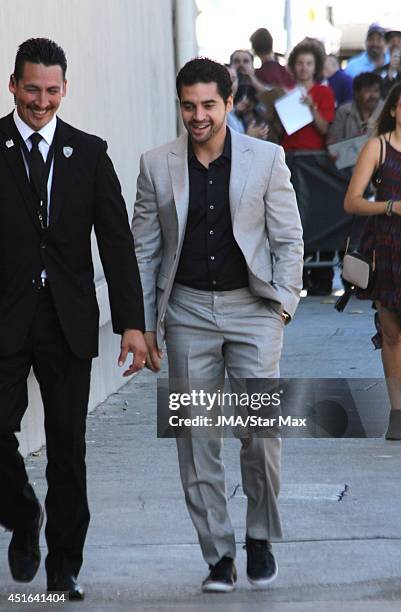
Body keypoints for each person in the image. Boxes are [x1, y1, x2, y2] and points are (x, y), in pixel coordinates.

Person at [132, 58, 303, 593]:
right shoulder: (156, 164)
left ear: (229, 103)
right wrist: (144, 326)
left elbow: (290, 240)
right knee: (196, 440)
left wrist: (282, 309)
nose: (198, 115)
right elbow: (144, 250)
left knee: (260, 436)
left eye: (209, 104)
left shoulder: (267, 158)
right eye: (189, 105)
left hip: (253, 311)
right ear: (179, 104)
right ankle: (218, 556)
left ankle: (259, 536)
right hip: (185, 313)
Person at [0, 38, 147, 599]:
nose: (41, 101)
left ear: (66, 89)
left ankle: (64, 565)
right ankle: (20, 512)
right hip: (5, 318)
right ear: (13, 85)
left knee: (67, 448)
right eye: (32, 89)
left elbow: (116, 242)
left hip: (67, 322)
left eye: (52, 90)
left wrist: (130, 322)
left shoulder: (88, 153)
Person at [344, 81, 401, 441]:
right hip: (387, 247)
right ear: (394, 108)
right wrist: (389, 206)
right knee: (391, 333)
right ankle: (397, 410)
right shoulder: (378, 147)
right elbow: (351, 201)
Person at [283, 41, 335, 296]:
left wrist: (311, 106)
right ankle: (297, 275)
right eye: (300, 63)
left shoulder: (323, 93)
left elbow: (325, 129)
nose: (304, 68)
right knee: (291, 216)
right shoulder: (286, 93)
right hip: (289, 158)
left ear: (315, 67)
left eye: (308, 63)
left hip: (315, 161)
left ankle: (322, 275)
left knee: (319, 214)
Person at [328, 72, 384, 146]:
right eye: (367, 91)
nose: (372, 95)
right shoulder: (344, 111)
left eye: (376, 91)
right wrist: (352, 141)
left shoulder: (386, 110)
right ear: (356, 93)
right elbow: (332, 142)